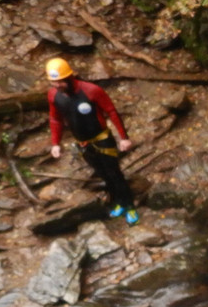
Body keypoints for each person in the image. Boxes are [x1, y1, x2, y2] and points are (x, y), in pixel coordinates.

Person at [45, 57, 140, 225]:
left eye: (60, 81)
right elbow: (55, 119)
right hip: (83, 143)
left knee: (114, 173)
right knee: (103, 174)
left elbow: (111, 111)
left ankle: (129, 205)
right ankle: (118, 202)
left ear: (69, 77)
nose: (57, 85)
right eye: (54, 82)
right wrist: (55, 143)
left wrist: (123, 138)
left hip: (102, 139)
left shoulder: (91, 90)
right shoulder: (54, 95)